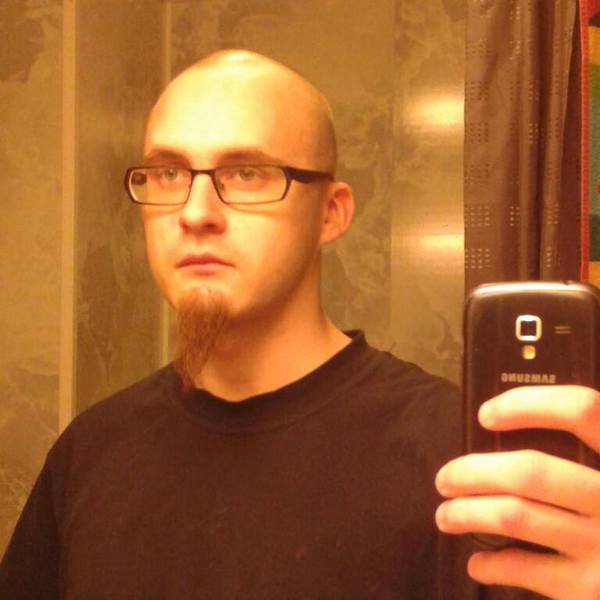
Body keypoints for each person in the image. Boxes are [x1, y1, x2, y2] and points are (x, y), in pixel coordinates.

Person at [1, 49, 599, 600]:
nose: (195, 212)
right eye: (168, 174)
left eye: (248, 174)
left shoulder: (456, 458)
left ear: (331, 213)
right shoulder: (89, 452)